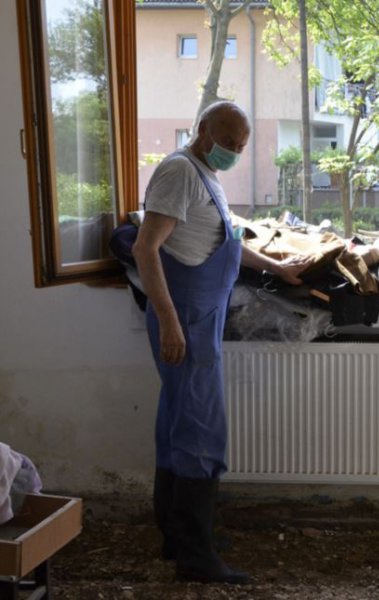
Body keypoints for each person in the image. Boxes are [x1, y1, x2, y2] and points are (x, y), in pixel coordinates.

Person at [132, 101, 311, 584]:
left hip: (198, 316)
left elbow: (225, 240)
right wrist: (170, 321)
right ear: (204, 131)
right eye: (229, 142)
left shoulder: (205, 173)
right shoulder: (179, 172)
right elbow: (145, 248)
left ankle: (179, 537)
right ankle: (197, 558)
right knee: (199, 431)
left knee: (178, 422)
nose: (234, 151)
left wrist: (278, 268)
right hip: (185, 318)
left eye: (241, 145)